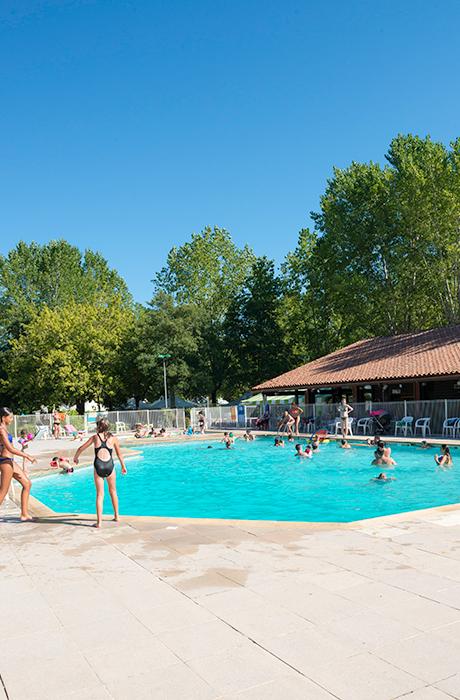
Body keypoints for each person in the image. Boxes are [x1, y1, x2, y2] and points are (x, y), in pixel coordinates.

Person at [73, 417, 127, 528]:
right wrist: (123, 466)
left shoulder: (94, 438)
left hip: (99, 466)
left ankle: (99, 522)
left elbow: (80, 448)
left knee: (100, 495)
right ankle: (117, 516)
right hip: (109, 466)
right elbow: (119, 454)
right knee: (113, 492)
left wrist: (76, 458)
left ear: (98, 426)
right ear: (108, 427)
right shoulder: (113, 438)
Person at [0, 407, 37, 521]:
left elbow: (11, 447)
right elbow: (10, 448)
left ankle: (24, 514)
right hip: (5, 462)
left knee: (27, 483)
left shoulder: (4, 428)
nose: (11, 419)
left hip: (11, 461)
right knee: (3, 491)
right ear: (3, 417)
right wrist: (27, 456)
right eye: (10, 417)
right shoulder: (1, 429)